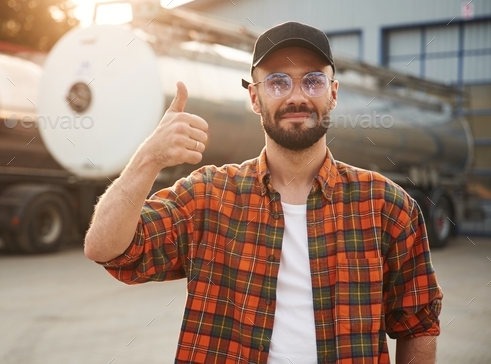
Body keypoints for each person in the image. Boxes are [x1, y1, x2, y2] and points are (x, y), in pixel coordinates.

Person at [84, 21, 443, 364]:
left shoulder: (386, 206)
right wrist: (148, 158)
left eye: (313, 81)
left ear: (333, 94)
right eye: (277, 82)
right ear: (254, 98)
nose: (297, 97)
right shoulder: (208, 197)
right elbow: (108, 249)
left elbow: (417, 323)